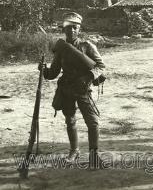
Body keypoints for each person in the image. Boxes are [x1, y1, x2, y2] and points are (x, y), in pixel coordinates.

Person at [39, 12, 105, 169]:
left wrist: (88, 77)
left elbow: (100, 66)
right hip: (66, 89)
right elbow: (53, 72)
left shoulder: (88, 46)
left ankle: (94, 156)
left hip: (83, 89)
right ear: (64, 30)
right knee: (70, 120)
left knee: (93, 122)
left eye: (75, 28)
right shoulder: (61, 49)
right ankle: (74, 151)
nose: (72, 31)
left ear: (79, 29)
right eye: (68, 28)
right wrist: (44, 70)